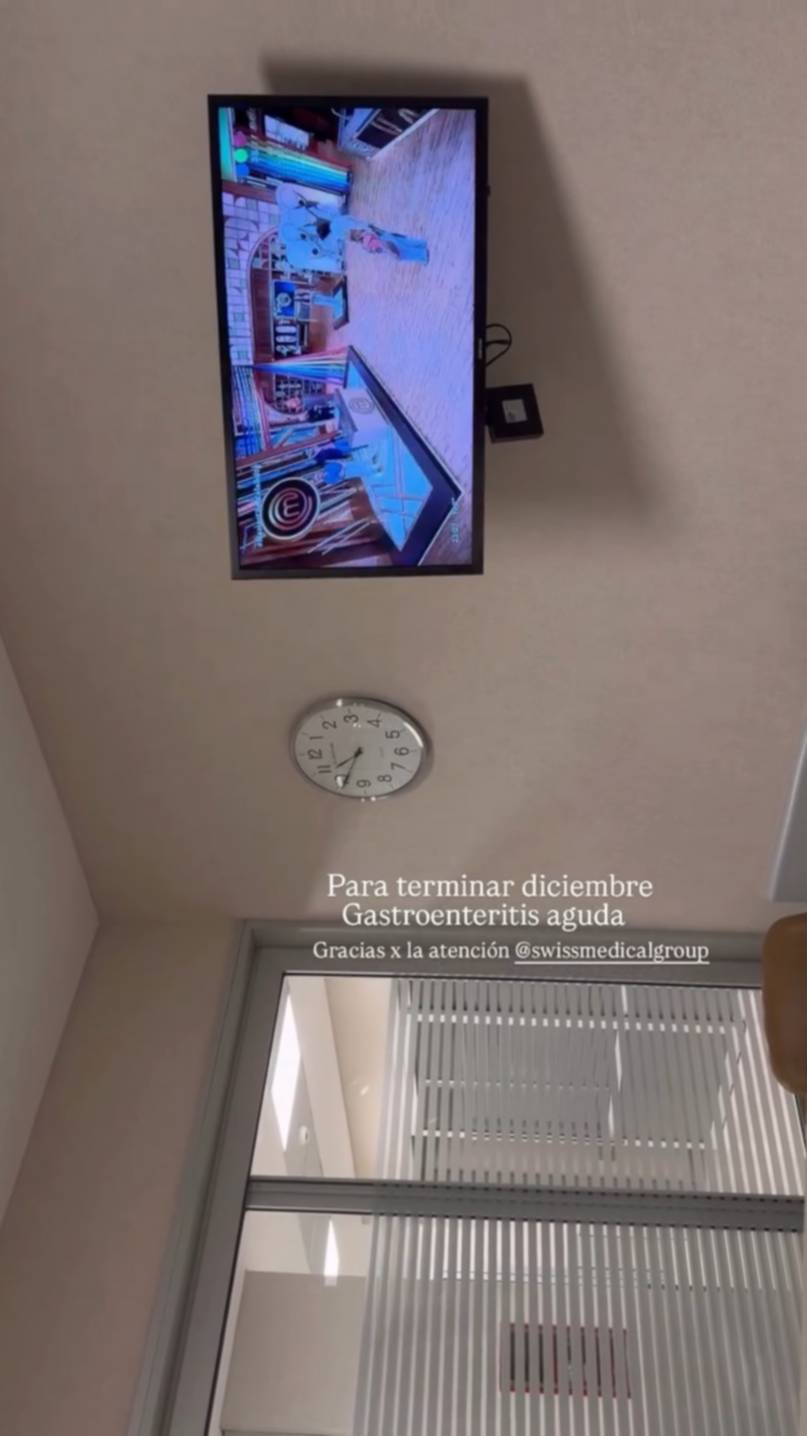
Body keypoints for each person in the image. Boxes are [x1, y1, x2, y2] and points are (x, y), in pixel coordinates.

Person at [275, 183, 428, 265]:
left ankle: (421, 255)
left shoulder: (336, 230)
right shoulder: (334, 219)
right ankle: (420, 244)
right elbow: (352, 222)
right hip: (370, 228)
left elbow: (353, 234)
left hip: (368, 235)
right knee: (395, 238)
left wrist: (364, 241)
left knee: (396, 250)